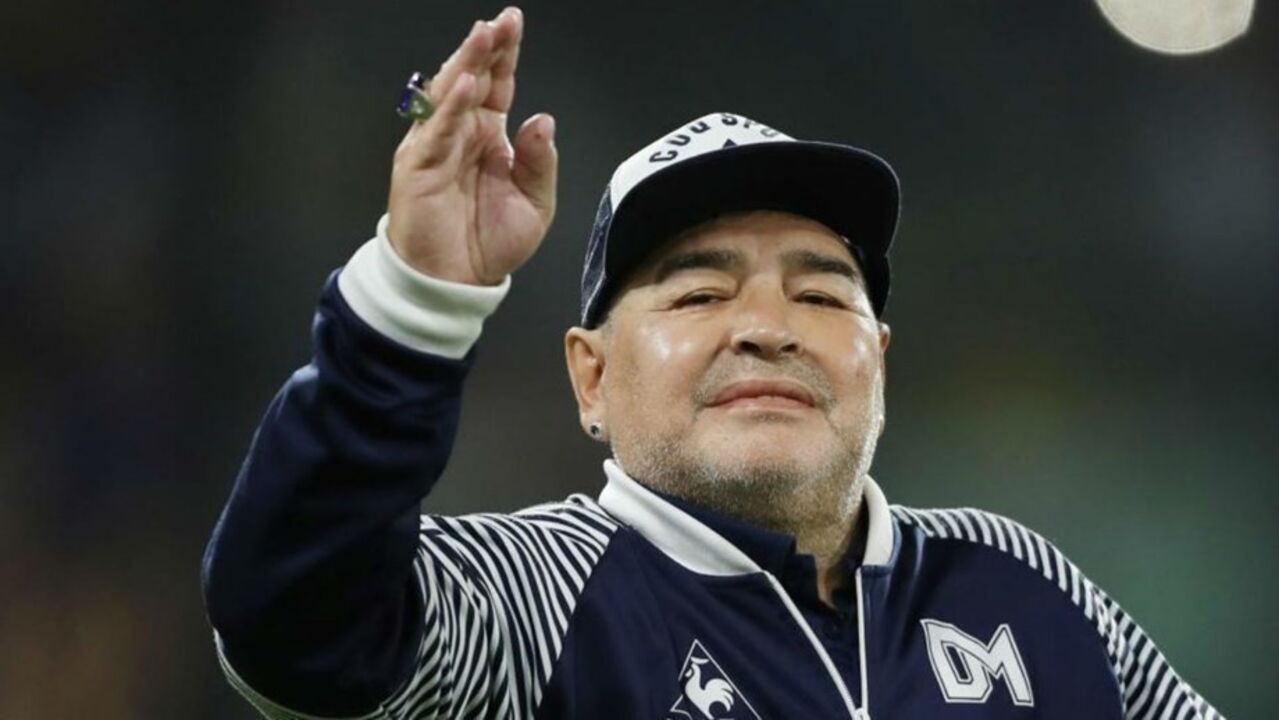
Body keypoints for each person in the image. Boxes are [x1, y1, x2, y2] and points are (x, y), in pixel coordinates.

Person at [201, 7, 1225, 719]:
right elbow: (295, 627)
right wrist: (414, 303)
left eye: (820, 295)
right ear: (590, 378)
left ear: (876, 362)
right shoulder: (533, 599)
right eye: (699, 294)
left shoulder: (1019, 588)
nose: (769, 327)